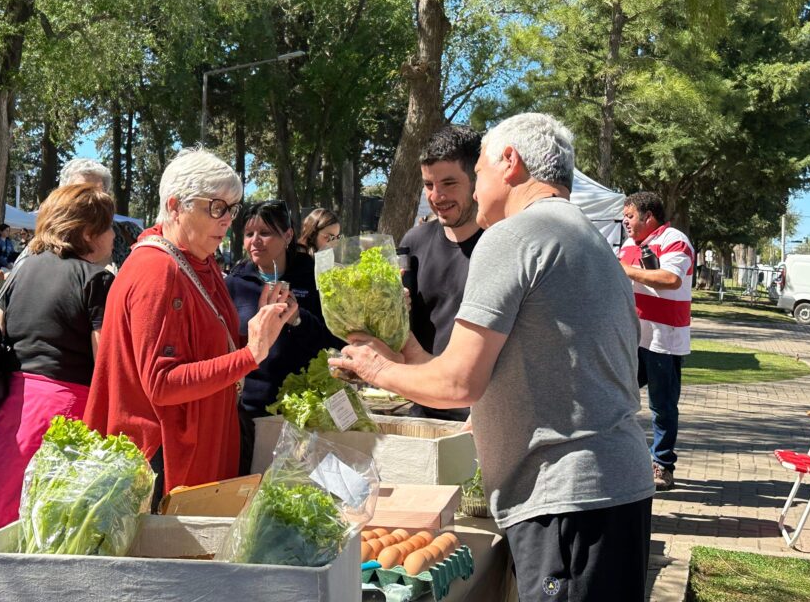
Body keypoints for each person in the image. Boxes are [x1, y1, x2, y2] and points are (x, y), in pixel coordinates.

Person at [331, 114, 654, 600]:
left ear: (510, 162)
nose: (476, 190)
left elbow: (459, 383)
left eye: (476, 172)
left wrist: (376, 369)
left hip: (565, 501)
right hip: (614, 493)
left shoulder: (514, 235)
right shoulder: (589, 240)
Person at [84, 149, 296, 500]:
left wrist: (258, 324)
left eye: (232, 208)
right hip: (163, 465)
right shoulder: (159, 269)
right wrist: (251, 352)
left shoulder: (200, 261)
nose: (227, 220)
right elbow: (162, 383)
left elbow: (205, 348)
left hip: (199, 451)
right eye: (216, 207)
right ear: (174, 206)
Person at [0, 184, 116, 542]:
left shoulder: (21, 272)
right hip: (66, 414)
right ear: (89, 233)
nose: (113, 235)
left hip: (14, 409)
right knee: (51, 532)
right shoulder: (97, 279)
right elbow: (106, 364)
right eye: (108, 227)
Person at [225, 200, 341, 472]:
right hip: (251, 414)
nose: (255, 241)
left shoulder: (315, 277)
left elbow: (337, 342)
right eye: (248, 234)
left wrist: (299, 319)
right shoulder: (234, 283)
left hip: (306, 414)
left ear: (288, 235)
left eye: (265, 233)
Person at [399, 125, 484, 422]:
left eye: (449, 183)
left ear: (477, 179)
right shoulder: (413, 242)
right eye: (429, 185)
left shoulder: (501, 244)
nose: (437, 196)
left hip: (480, 416)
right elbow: (401, 330)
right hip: (421, 408)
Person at [618, 191, 694, 492]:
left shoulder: (675, 240)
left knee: (662, 407)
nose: (625, 221)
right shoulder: (628, 245)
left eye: (630, 216)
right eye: (624, 216)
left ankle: (662, 464)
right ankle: (624, 457)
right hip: (630, 337)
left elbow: (671, 279)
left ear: (648, 217)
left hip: (663, 339)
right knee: (616, 397)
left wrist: (625, 270)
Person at [58, 157, 143, 269]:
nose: (91, 200)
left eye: (97, 192)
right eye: (82, 192)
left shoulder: (130, 234)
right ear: (64, 195)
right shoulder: (49, 242)